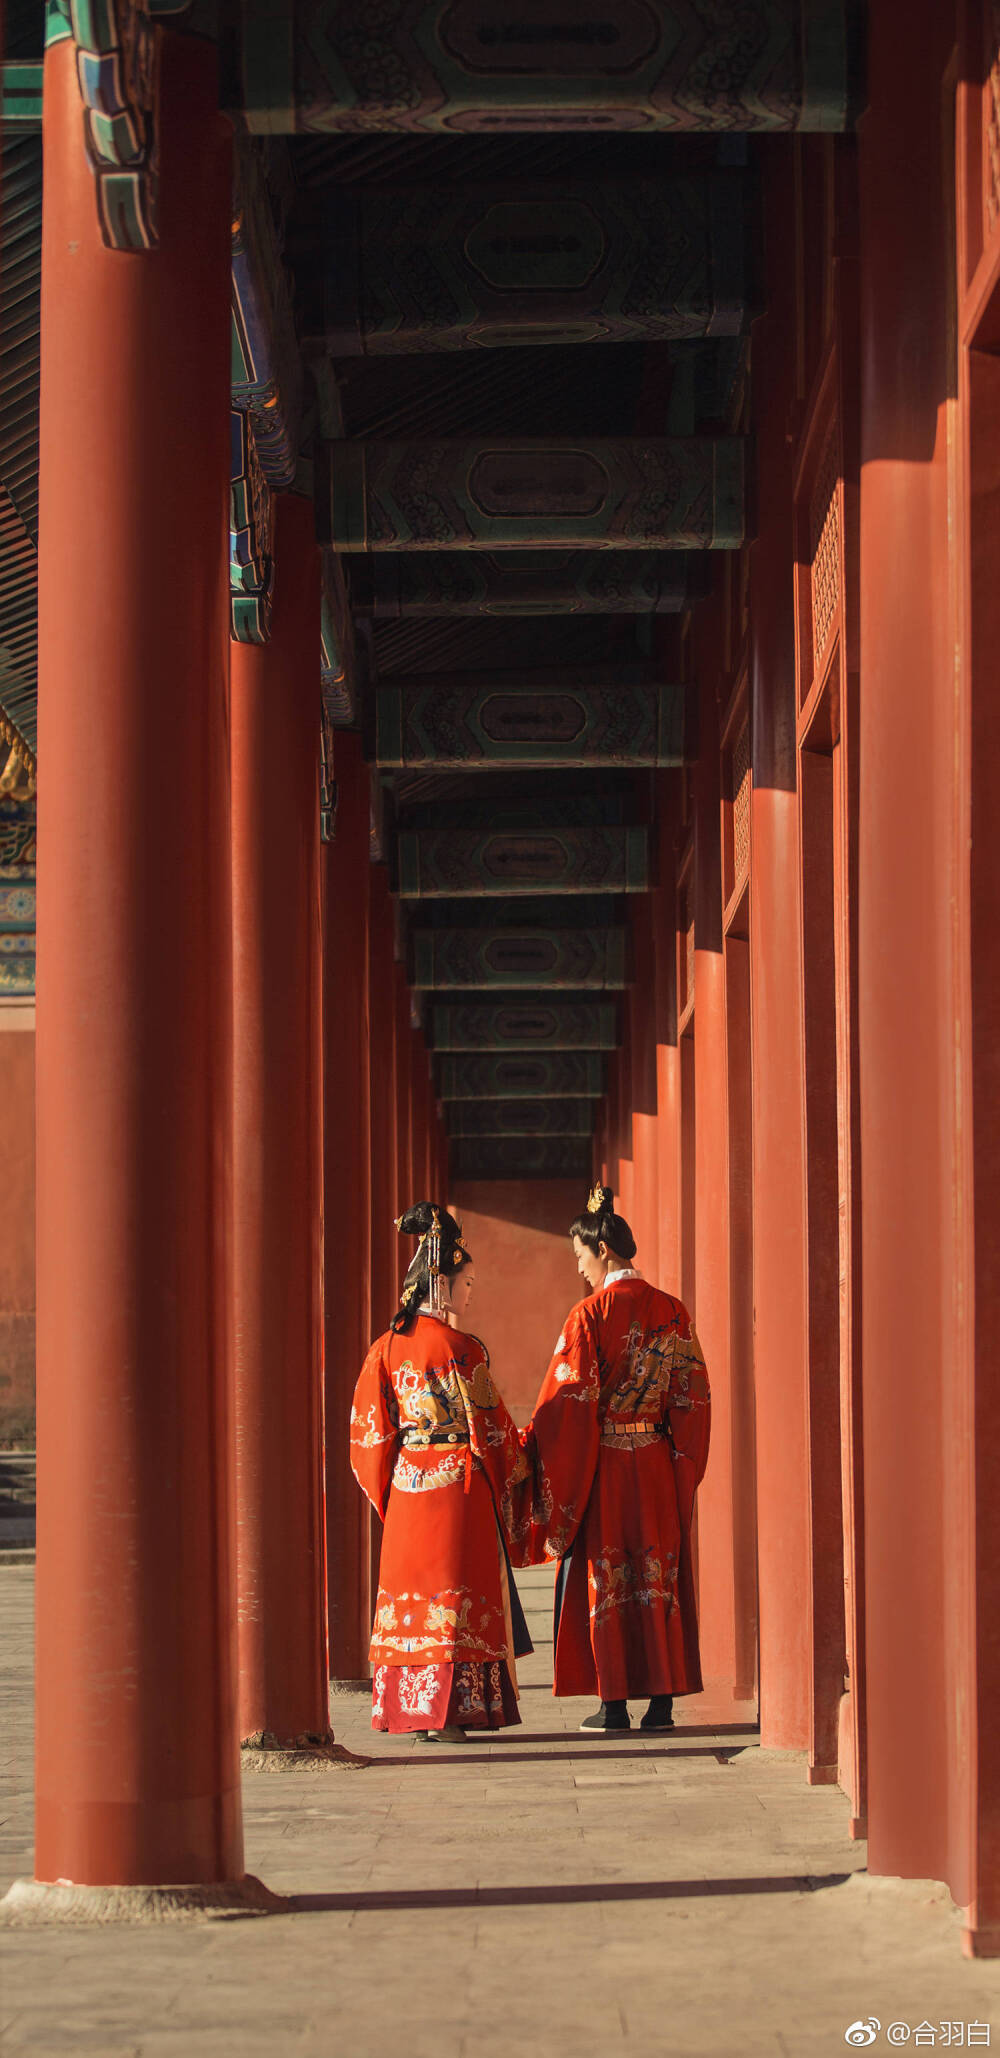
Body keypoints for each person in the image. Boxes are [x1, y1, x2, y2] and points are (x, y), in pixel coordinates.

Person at [512, 1184, 710, 1734]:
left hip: (605, 1469)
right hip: (654, 1460)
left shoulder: (589, 1316)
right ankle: (664, 1702)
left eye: (580, 1257)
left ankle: (615, 1704)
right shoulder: (673, 1312)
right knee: (657, 1576)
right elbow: (693, 1397)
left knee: (609, 1577)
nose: (581, 1269)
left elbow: (567, 1405)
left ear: (602, 1250)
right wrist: (682, 1465)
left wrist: (535, 1446)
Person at [350, 1201, 531, 1741]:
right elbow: (491, 1429)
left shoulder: (383, 1349)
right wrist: (520, 1459)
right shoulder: (463, 1350)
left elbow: (368, 1434)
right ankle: (452, 1713)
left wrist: (389, 1493)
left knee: (415, 1599)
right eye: (466, 1281)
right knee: (454, 1599)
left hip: (408, 1485)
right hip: (457, 1486)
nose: (471, 1292)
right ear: (442, 1283)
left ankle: (412, 1712)